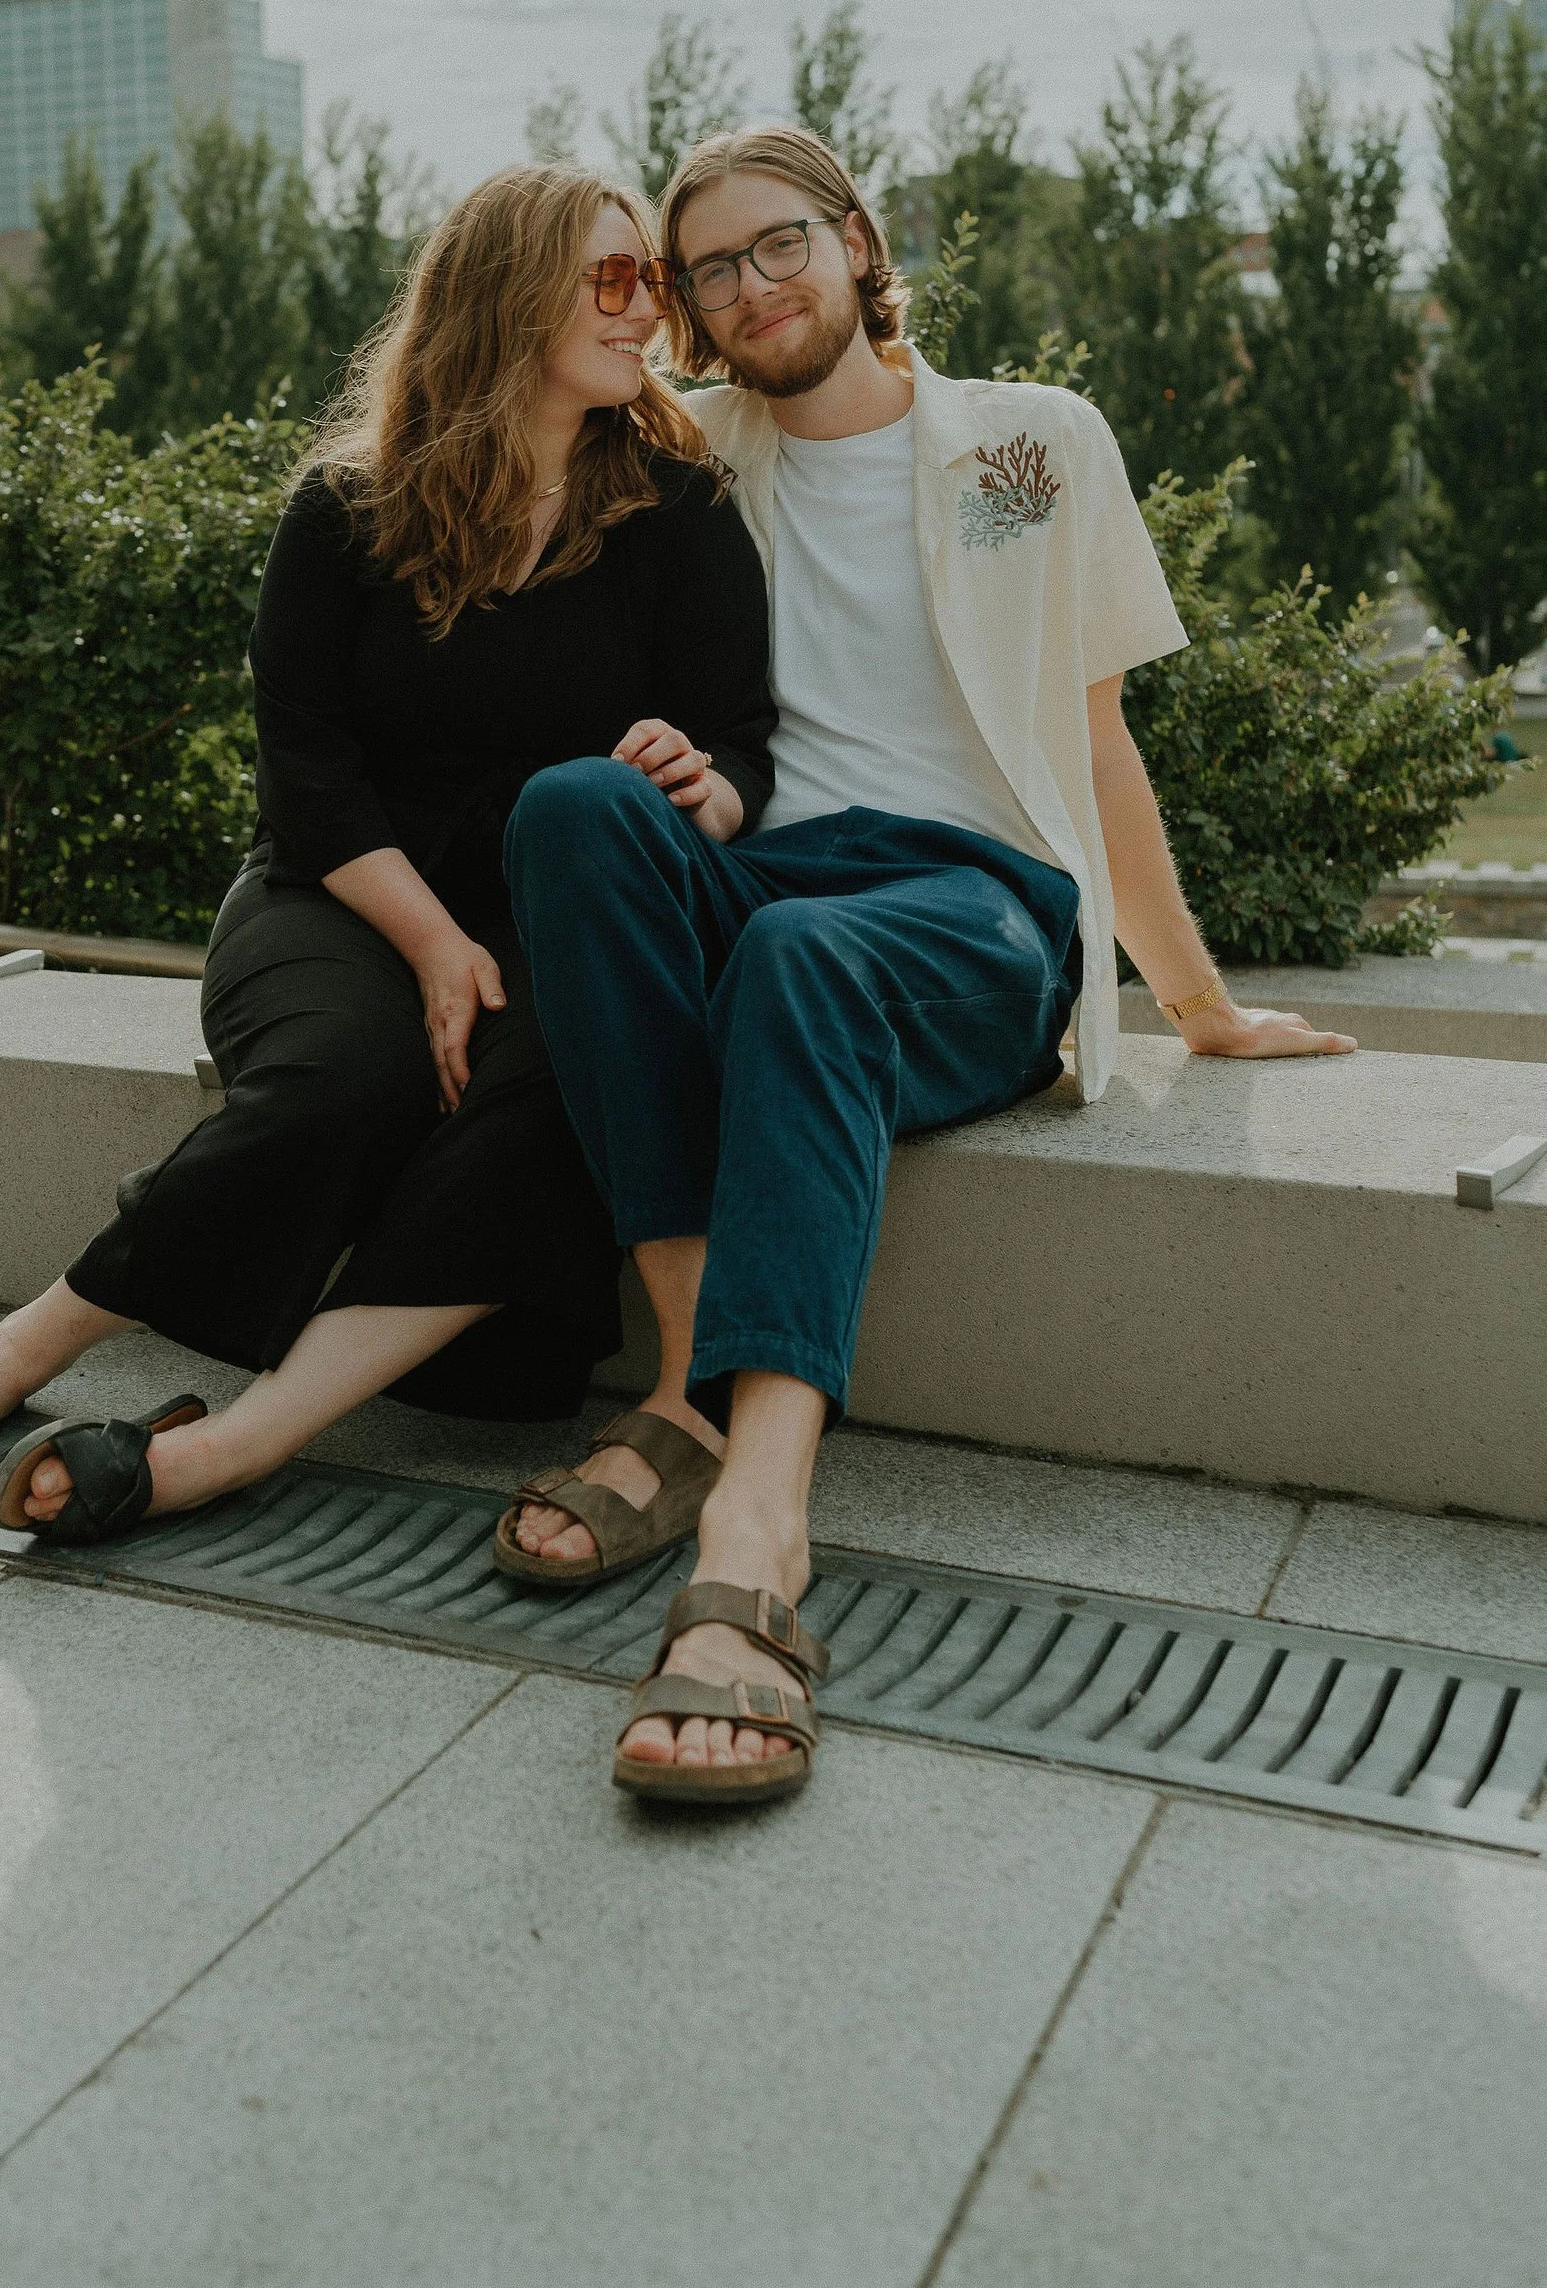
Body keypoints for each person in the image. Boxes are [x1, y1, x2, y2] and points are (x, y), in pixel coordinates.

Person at [501, 123, 1355, 1804]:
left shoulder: (1036, 440)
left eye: (780, 245)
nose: (750, 288)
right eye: (708, 270)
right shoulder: (686, 458)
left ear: (853, 235)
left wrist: (1192, 1000)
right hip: (775, 879)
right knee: (574, 811)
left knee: (807, 960)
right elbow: (499, 470)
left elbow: (1099, 739)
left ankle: (759, 1521)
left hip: (979, 907)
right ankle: (682, 1386)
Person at [0, 163, 774, 1545]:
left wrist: (700, 793)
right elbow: (309, 771)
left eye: (652, 281)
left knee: (560, 1091)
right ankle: (21, 1352)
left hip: (559, 919)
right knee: (351, 1075)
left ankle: (239, 1436)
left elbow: (743, 747)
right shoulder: (347, 509)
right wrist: (434, 943)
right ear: (505, 291)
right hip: (337, 892)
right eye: (615, 276)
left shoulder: (677, 511)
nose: (650, 314)